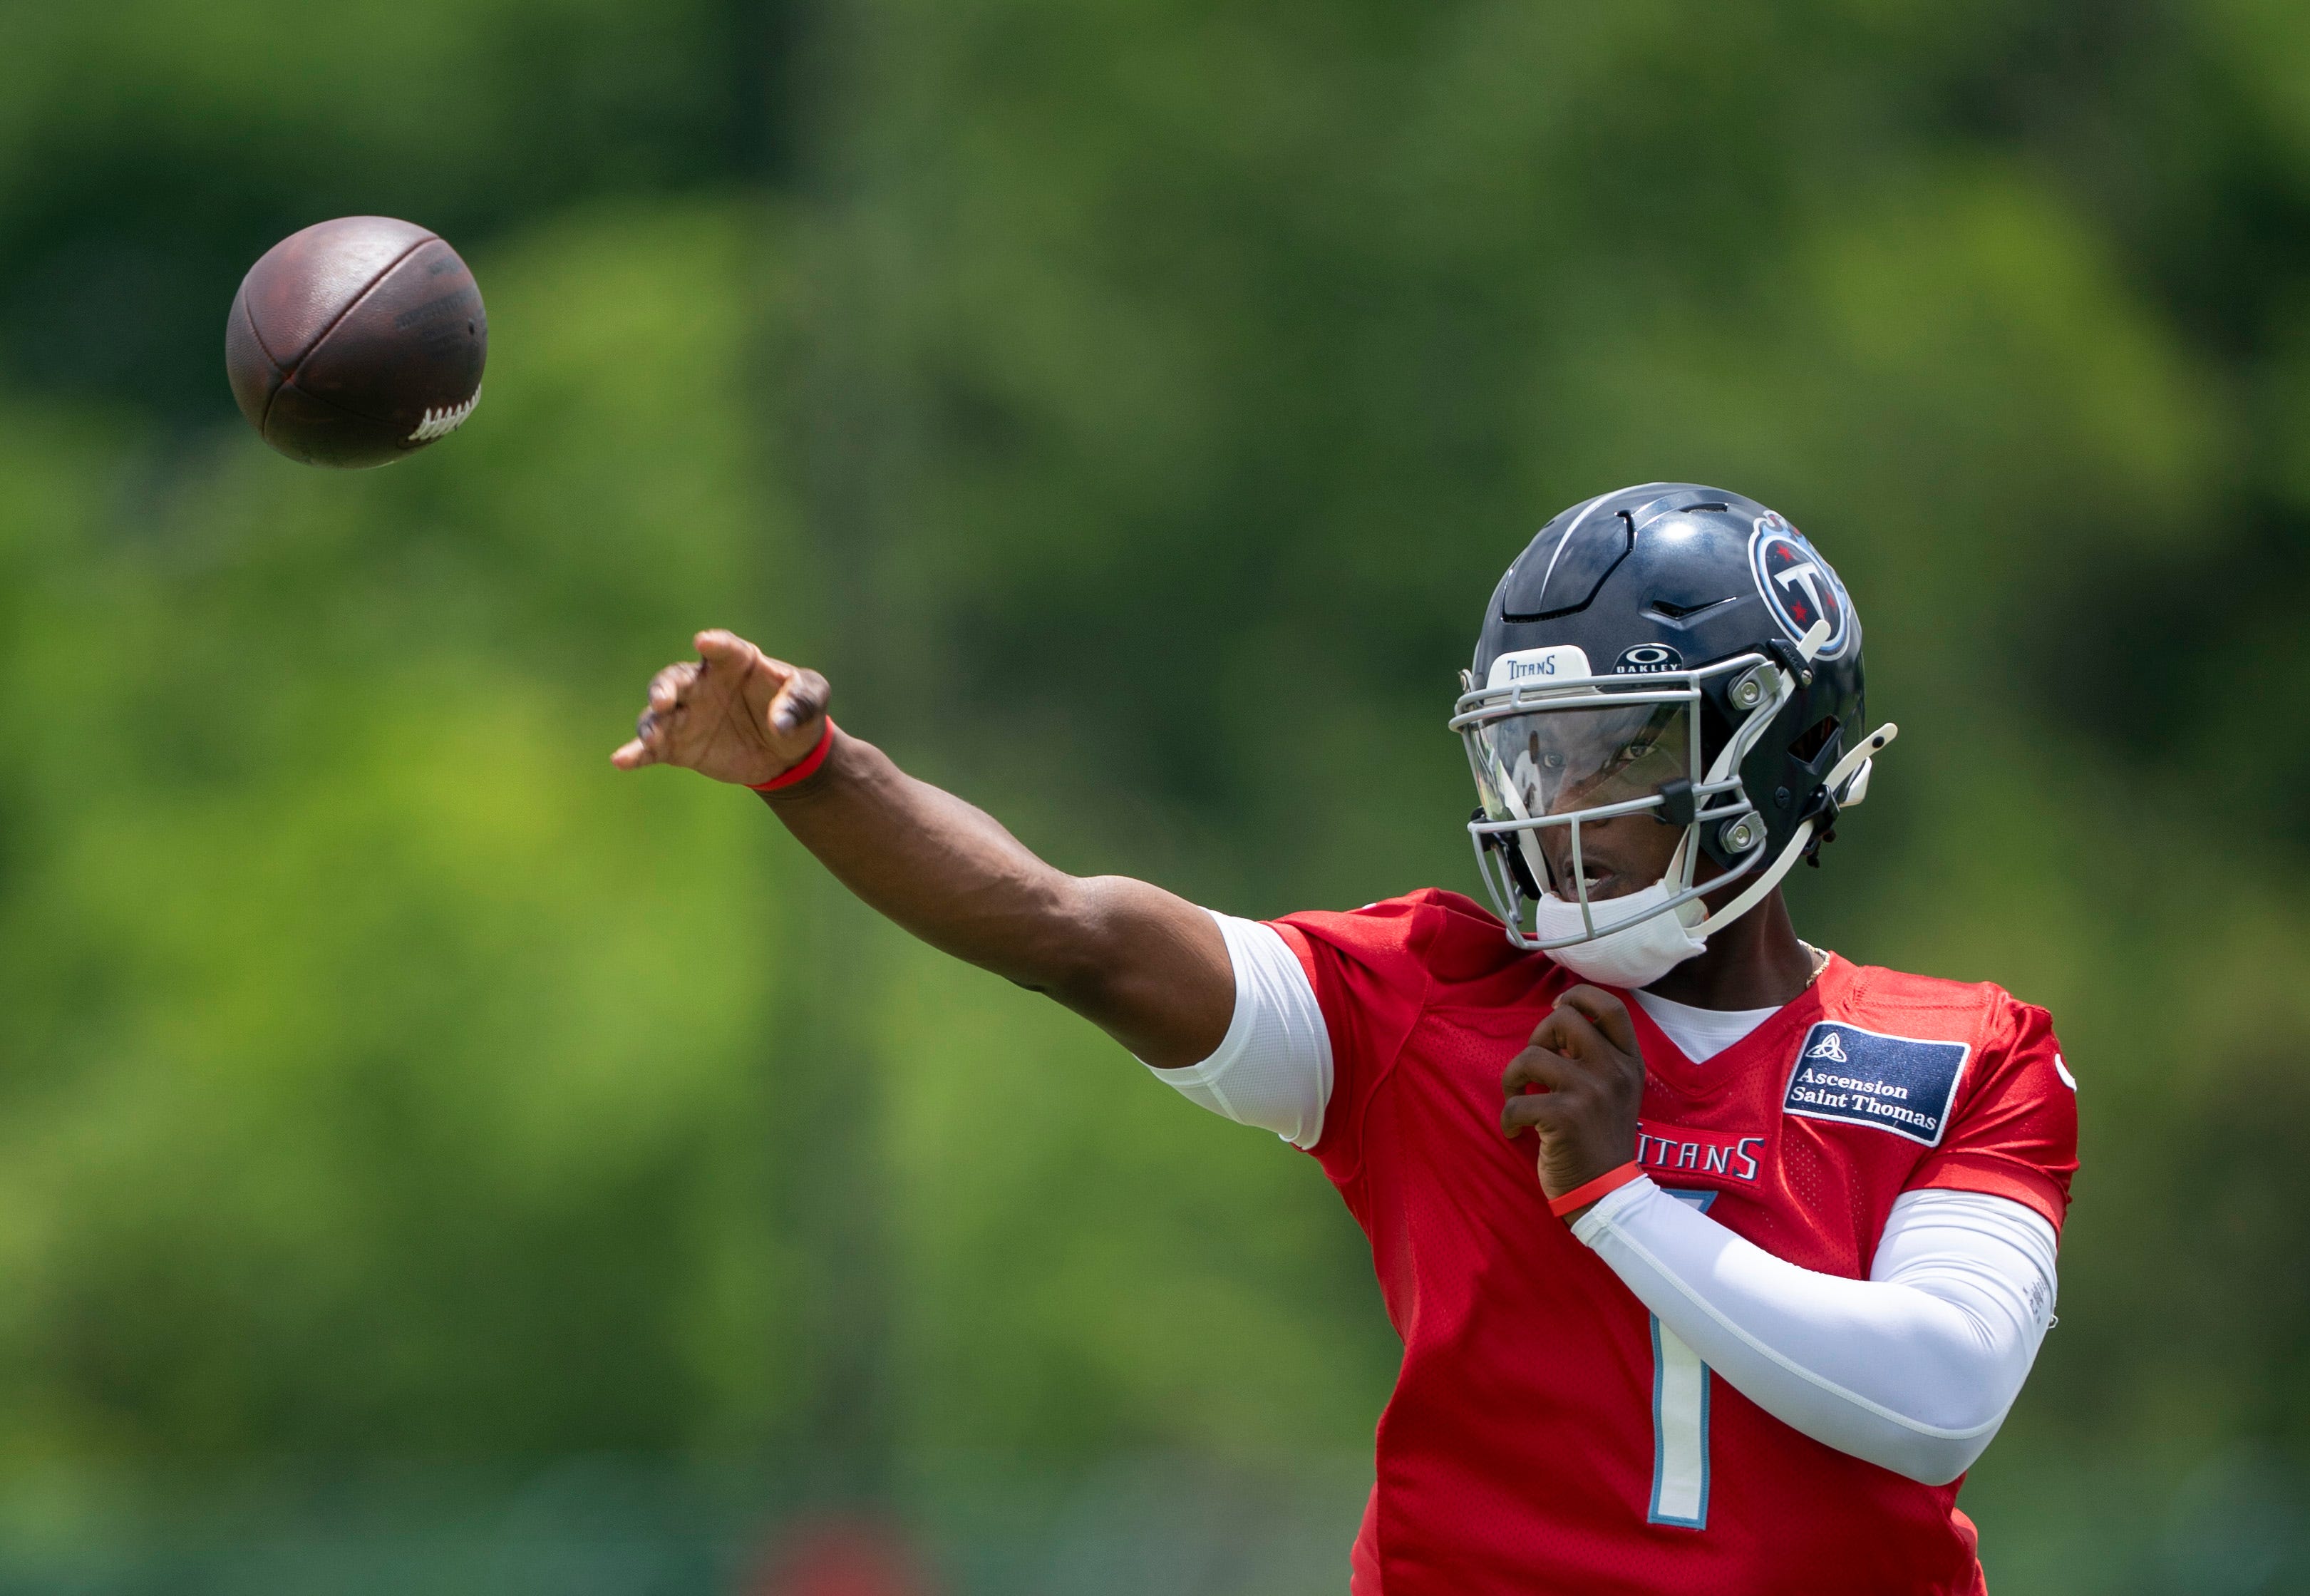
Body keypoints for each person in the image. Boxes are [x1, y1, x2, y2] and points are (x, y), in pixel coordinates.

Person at [612, 483, 2076, 1595]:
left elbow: (1933, 1397)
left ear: (1773, 746)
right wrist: (821, 775)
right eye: (1532, 754)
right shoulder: (1431, 998)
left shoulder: (1968, 1054)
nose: (1554, 807)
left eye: (1612, 752)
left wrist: (1617, 1197)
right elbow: (1078, 932)